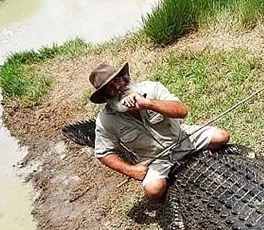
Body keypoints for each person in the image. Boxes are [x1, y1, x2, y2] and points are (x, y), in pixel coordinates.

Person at [89, 62, 230, 202]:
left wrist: (148, 103)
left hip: (182, 138)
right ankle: (172, 196)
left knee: (221, 137)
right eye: (110, 88)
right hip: (156, 159)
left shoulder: (151, 88)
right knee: (153, 191)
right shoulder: (106, 120)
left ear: (125, 77)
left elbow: (182, 111)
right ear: (105, 96)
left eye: (117, 80)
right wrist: (131, 170)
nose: (118, 87)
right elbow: (103, 153)